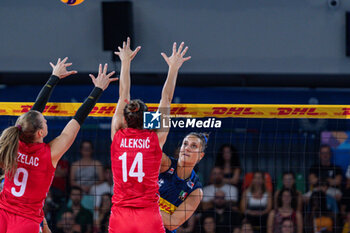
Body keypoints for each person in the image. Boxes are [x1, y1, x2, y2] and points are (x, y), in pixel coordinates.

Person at [0, 57, 117, 233]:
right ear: (40, 133)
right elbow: (77, 120)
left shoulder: (15, 142)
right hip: (25, 221)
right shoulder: (50, 153)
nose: (46, 120)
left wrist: (54, 77)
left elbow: (34, 112)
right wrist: (98, 89)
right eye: (45, 121)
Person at [109, 38, 189, 233]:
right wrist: (173, 68)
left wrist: (125, 62)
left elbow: (123, 94)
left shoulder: (117, 134)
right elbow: (166, 98)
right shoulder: (155, 139)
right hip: (148, 214)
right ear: (148, 119)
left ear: (126, 119)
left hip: (121, 214)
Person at [158, 132, 206, 232]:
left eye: (193, 146)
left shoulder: (196, 191)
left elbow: (173, 223)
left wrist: (145, 203)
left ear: (200, 156)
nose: (187, 148)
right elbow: (152, 149)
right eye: (185, 144)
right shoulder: (165, 163)